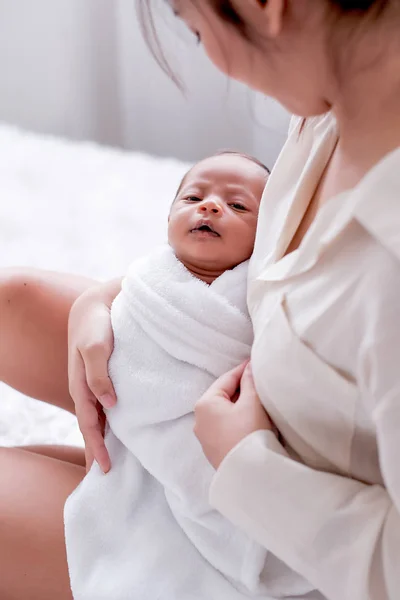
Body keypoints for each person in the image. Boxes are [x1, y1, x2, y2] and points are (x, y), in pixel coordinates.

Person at [0, 0, 399, 598]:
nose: (210, 57)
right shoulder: (328, 112)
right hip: (242, 394)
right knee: (13, 301)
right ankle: (130, 476)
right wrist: (118, 296)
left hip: (268, 545)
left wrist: (245, 465)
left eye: (191, 27)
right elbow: (271, 268)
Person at [65, 151, 288, 600]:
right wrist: (90, 304)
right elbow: (123, 294)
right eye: (193, 196)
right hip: (128, 444)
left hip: (206, 473)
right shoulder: (150, 277)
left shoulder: (258, 290)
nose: (209, 207)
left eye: (238, 205)